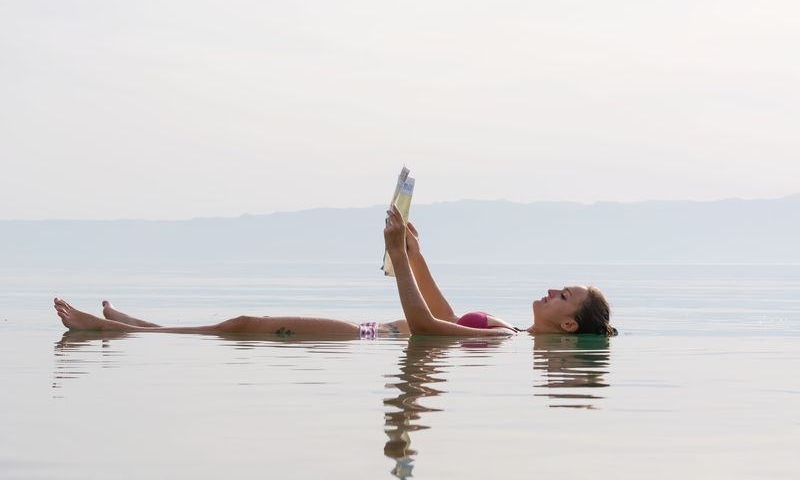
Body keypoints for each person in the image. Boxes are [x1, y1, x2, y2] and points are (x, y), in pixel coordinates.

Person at [53, 206, 616, 337]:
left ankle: (118, 330)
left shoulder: (504, 344)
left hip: (364, 339)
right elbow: (442, 316)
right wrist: (416, 252)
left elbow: (423, 327)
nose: (550, 290)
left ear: (570, 325)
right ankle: (130, 327)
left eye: (562, 294)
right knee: (245, 324)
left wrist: (396, 258)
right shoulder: (507, 333)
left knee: (247, 323)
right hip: (372, 333)